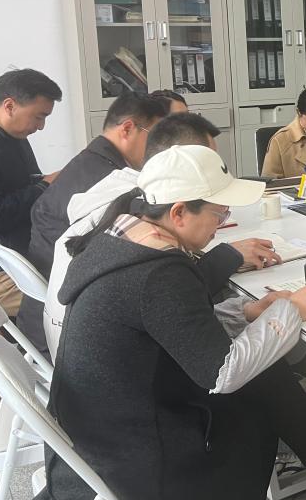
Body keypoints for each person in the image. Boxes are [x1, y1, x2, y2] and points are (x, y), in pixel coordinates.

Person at [33, 145, 306, 500]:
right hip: (138, 466)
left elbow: (172, 326)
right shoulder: (157, 272)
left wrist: (247, 311)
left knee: (261, 358)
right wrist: (293, 310)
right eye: (218, 213)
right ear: (178, 212)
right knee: (259, 383)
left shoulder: (122, 238)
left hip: (103, 439)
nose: (220, 224)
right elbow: (222, 373)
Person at [42, 112, 279, 354]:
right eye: (207, 162)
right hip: (114, 358)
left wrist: (243, 309)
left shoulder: (132, 198)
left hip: (78, 348)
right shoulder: (142, 234)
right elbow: (170, 294)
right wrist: (228, 259)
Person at [19, 92, 168, 354]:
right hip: (65, 334)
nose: (162, 148)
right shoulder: (111, 182)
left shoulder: (91, 161)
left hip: (42, 316)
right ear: (128, 129)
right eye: (157, 137)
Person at [0, 68, 62, 316]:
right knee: (77, 302)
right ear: (10, 106)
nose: (41, 127)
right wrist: (44, 186)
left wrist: (48, 182)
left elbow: (25, 184)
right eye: (38, 117)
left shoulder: (11, 134)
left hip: (20, 252)